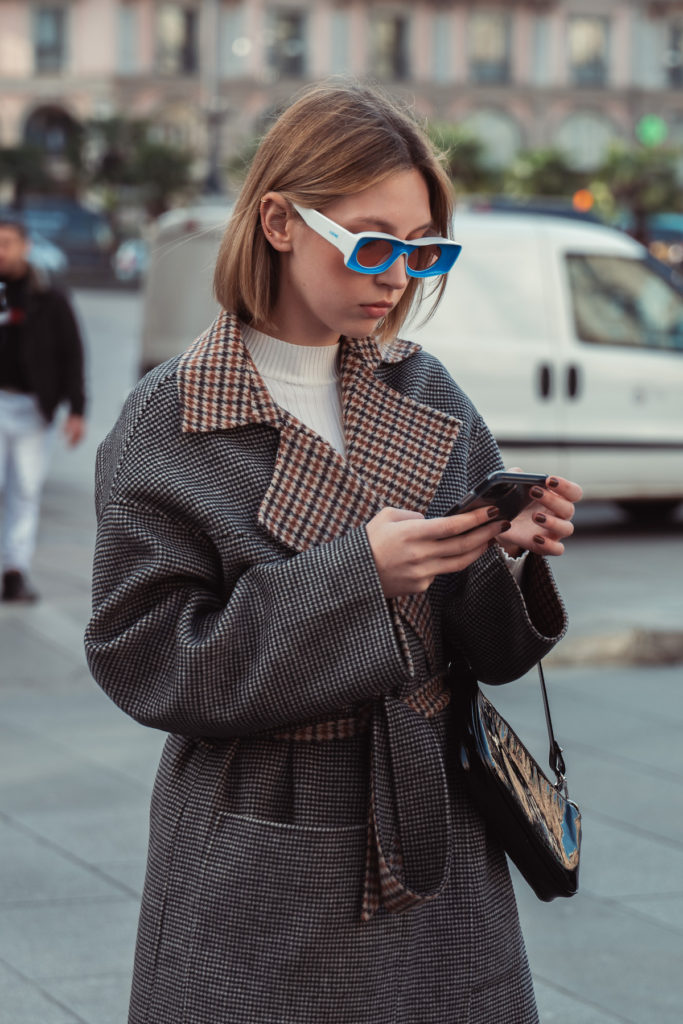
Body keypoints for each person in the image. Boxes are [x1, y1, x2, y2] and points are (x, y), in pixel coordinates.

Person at [85, 82, 582, 1024]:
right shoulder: (171, 419)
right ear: (278, 220)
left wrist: (497, 552)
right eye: (372, 241)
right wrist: (358, 574)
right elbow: (145, 661)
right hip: (260, 844)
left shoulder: (425, 390)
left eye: (424, 249)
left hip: (436, 832)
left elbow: (495, 657)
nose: (397, 275)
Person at [0, 218, 86, 602]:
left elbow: (72, 353)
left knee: (26, 490)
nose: (2, 251)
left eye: (8, 243)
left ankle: (15, 570)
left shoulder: (50, 296)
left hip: (34, 410)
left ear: (26, 246)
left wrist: (77, 409)